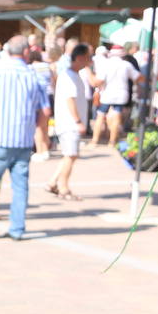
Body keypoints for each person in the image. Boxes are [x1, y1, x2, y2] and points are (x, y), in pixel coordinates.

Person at [0, 35, 51, 240]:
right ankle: (17, 228)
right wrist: (36, 129)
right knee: (20, 186)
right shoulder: (34, 76)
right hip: (23, 140)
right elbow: (45, 111)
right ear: (26, 52)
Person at [46, 43, 92, 202]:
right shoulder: (69, 76)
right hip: (69, 123)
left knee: (69, 155)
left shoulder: (73, 75)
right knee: (71, 155)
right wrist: (78, 121)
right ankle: (63, 188)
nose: (90, 61)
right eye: (88, 57)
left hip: (68, 122)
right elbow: (70, 100)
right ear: (80, 58)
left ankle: (53, 182)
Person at [91, 45, 138, 147]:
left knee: (100, 116)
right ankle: (112, 142)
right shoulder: (126, 65)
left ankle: (94, 141)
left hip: (107, 94)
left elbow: (99, 81)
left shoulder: (106, 64)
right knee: (117, 116)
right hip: (121, 95)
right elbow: (138, 77)